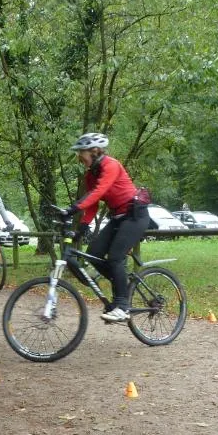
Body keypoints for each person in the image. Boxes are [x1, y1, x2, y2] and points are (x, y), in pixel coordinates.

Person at [65, 132, 150, 322]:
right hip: (118, 218)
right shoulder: (90, 175)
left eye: (82, 152)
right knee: (94, 254)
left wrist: (74, 207)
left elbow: (99, 191)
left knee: (115, 258)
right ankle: (121, 283)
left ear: (94, 151)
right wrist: (83, 226)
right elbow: (94, 204)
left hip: (135, 215)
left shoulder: (111, 165)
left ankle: (123, 306)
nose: (79, 156)